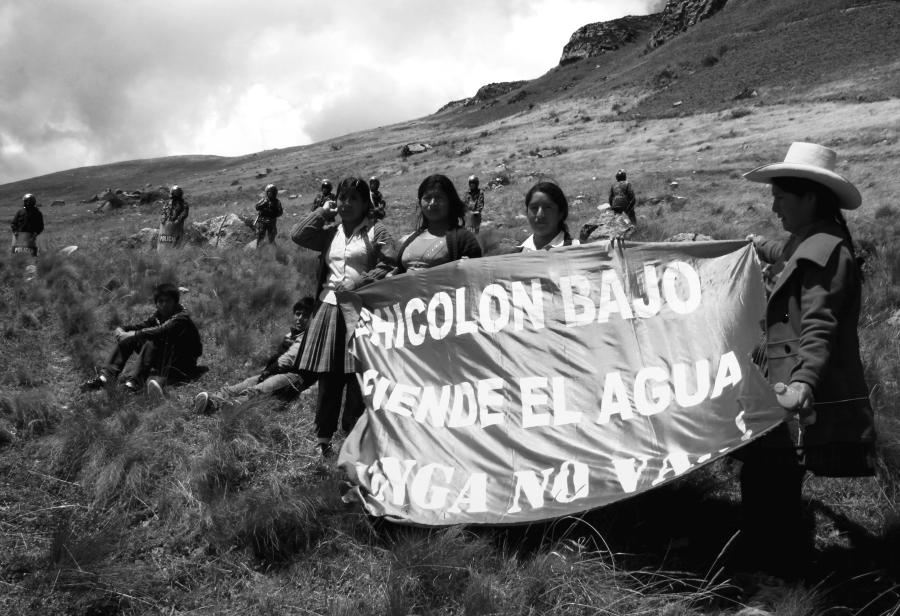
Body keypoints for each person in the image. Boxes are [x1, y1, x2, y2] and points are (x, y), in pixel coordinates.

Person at [737, 142, 875, 576]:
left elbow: (820, 327)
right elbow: (787, 253)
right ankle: (776, 568)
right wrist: (756, 244)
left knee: (769, 483)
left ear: (810, 198)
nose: (774, 206)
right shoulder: (812, 241)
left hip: (792, 391)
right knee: (765, 478)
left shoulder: (828, 253)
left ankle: (780, 576)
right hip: (781, 384)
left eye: (781, 197)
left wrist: (802, 385)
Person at [291, 177, 396, 458]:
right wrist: (323, 212)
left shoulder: (376, 231)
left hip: (362, 311)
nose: (346, 204)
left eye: (354, 199)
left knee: (355, 377)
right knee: (328, 377)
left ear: (365, 203)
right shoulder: (330, 231)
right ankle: (323, 438)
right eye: (342, 198)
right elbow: (298, 235)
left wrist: (359, 282)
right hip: (328, 308)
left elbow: (390, 262)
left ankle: (352, 438)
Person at [192, 297, 315, 414]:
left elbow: (286, 360)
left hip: (294, 377)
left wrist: (267, 372)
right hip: (277, 371)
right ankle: (212, 400)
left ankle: (226, 407)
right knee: (241, 385)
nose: (300, 318)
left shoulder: (309, 337)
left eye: (305, 315)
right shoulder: (291, 335)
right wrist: (266, 372)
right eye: (298, 314)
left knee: (257, 390)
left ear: (313, 318)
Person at [80, 283, 203, 395]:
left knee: (150, 339)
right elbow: (143, 326)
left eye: (168, 301)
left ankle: (134, 384)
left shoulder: (182, 317)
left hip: (183, 364)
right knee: (129, 338)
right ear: (156, 303)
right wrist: (123, 329)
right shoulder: (159, 315)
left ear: (175, 302)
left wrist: (133, 334)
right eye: (160, 301)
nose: (164, 305)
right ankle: (105, 377)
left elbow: (161, 330)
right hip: (166, 360)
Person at [394, 174, 482, 273]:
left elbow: (477, 277)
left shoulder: (464, 239)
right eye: (427, 198)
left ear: (450, 203)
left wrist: (466, 269)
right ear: (420, 202)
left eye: (439, 198)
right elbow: (399, 273)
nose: (432, 203)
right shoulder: (412, 238)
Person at [517, 181, 579, 251]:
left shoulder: (577, 250)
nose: (539, 215)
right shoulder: (515, 255)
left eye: (547, 207)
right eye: (534, 208)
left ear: (561, 213)